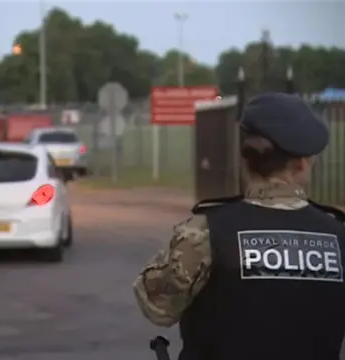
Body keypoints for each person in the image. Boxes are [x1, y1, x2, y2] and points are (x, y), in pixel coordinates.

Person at [133, 92, 345, 360]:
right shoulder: (338, 236)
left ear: (246, 159)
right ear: (303, 163)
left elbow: (156, 305)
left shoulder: (205, 232)